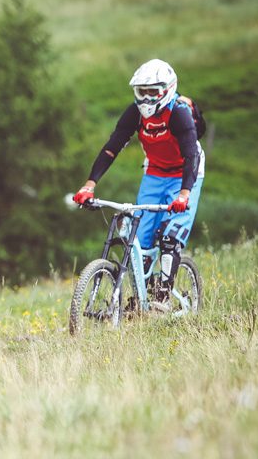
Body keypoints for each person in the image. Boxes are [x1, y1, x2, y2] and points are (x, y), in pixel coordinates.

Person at [73, 59, 204, 303]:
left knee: (170, 237)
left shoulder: (179, 113)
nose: (145, 98)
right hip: (154, 172)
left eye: (152, 92)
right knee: (138, 242)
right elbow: (112, 148)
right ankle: (141, 298)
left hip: (186, 173)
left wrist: (184, 194)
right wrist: (89, 184)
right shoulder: (134, 113)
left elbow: (191, 155)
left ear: (167, 89)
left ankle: (162, 298)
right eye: (141, 92)